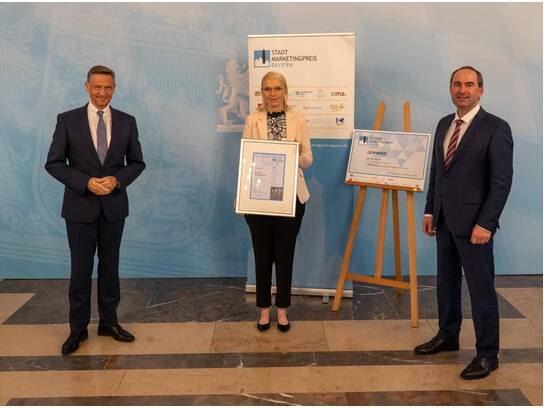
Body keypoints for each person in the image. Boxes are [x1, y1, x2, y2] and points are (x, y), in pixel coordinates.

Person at [414, 66, 513, 380]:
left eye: (469, 84)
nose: (462, 90)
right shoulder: (444, 123)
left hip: (475, 227)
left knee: (481, 290)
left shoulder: (496, 128)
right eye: (457, 84)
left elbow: (501, 182)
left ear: (481, 90)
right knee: (446, 282)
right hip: (444, 221)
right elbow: (437, 172)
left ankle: (488, 354)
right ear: (450, 89)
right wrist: (430, 211)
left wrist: (487, 224)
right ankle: (448, 335)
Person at [45, 65, 145, 355]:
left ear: (114, 88)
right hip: (79, 208)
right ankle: (77, 329)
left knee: (110, 268)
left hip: (114, 208)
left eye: (108, 87)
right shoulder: (67, 120)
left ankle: (109, 323)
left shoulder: (127, 121)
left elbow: (137, 163)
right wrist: (86, 182)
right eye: (97, 86)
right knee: (80, 270)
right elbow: (54, 163)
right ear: (87, 86)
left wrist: (117, 180)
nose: (103, 92)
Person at [242, 71, 313, 333]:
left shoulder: (298, 119)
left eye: (277, 88)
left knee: (285, 255)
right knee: (262, 256)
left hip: (291, 198)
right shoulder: (253, 120)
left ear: (285, 91)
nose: (272, 94)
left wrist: (297, 154)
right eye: (267, 89)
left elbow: (308, 159)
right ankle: (263, 310)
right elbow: (246, 159)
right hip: (259, 198)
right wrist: (243, 192)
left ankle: (282, 310)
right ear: (262, 92)